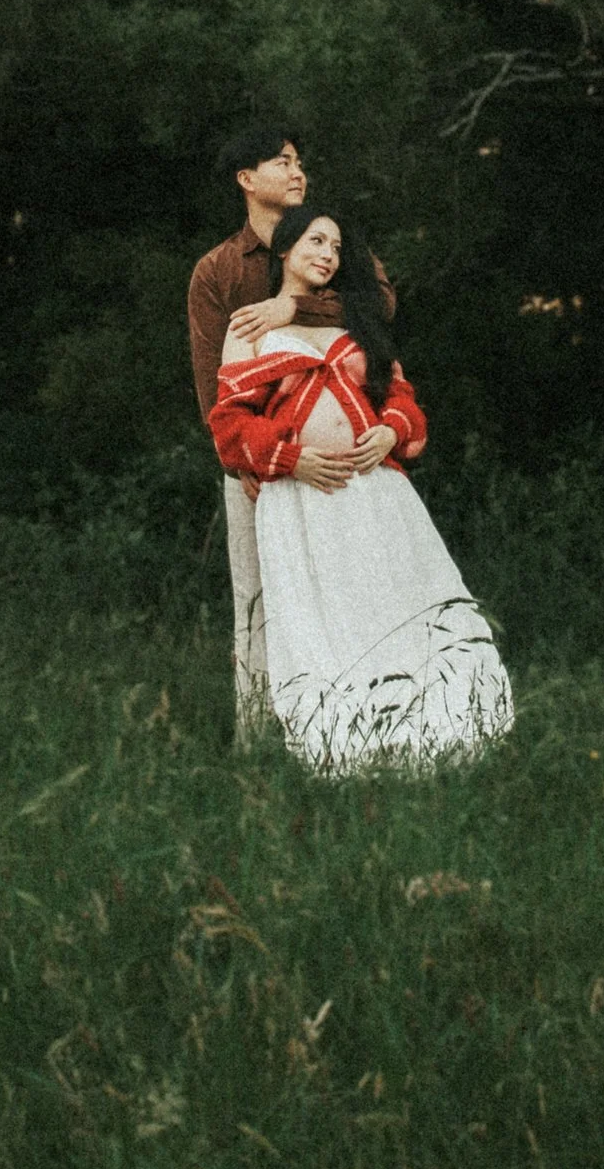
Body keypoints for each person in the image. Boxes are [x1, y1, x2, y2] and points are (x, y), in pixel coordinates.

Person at [211, 204, 512, 772]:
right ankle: (341, 738)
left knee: (391, 602)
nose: (328, 254)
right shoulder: (252, 325)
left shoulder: (357, 327)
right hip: (300, 500)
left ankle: (426, 725)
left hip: (373, 493)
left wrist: (387, 431)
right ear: (285, 249)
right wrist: (292, 459)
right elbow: (230, 424)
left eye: (337, 247)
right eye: (316, 241)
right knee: (325, 615)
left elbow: (402, 400)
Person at [188, 122, 374, 729]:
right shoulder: (217, 271)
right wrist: (240, 463)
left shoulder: (332, 245)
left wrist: (295, 304)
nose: (298, 172)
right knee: (258, 603)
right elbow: (211, 382)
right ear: (247, 180)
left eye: (300, 162)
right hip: (254, 470)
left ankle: (345, 729)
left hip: (341, 472)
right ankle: (257, 740)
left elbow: (381, 308)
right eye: (282, 161)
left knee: (347, 596)